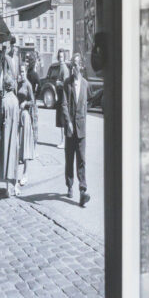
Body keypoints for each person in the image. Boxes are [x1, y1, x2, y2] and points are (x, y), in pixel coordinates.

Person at [58, 60, 89, 207]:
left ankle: (83, 190)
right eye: (72, 65)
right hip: (70, 128)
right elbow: (63, 104)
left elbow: (87, 104)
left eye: (76, 65)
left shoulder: (85, 84)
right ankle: (69, 185)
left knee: (81, 159)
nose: (73, 67)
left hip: (81, 128)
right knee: (69, 158)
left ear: (80, 66)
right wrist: (68, 122)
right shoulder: (67, 83)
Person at [0, 68, 21, 197]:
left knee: (6, 156)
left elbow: (1, 119)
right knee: (14, 158)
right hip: (14, 132)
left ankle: (7, 188)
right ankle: (15, 186)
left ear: (5, 86)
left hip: (6, 132)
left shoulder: (4, 100)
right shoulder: (16, 100)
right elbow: (18, 119)